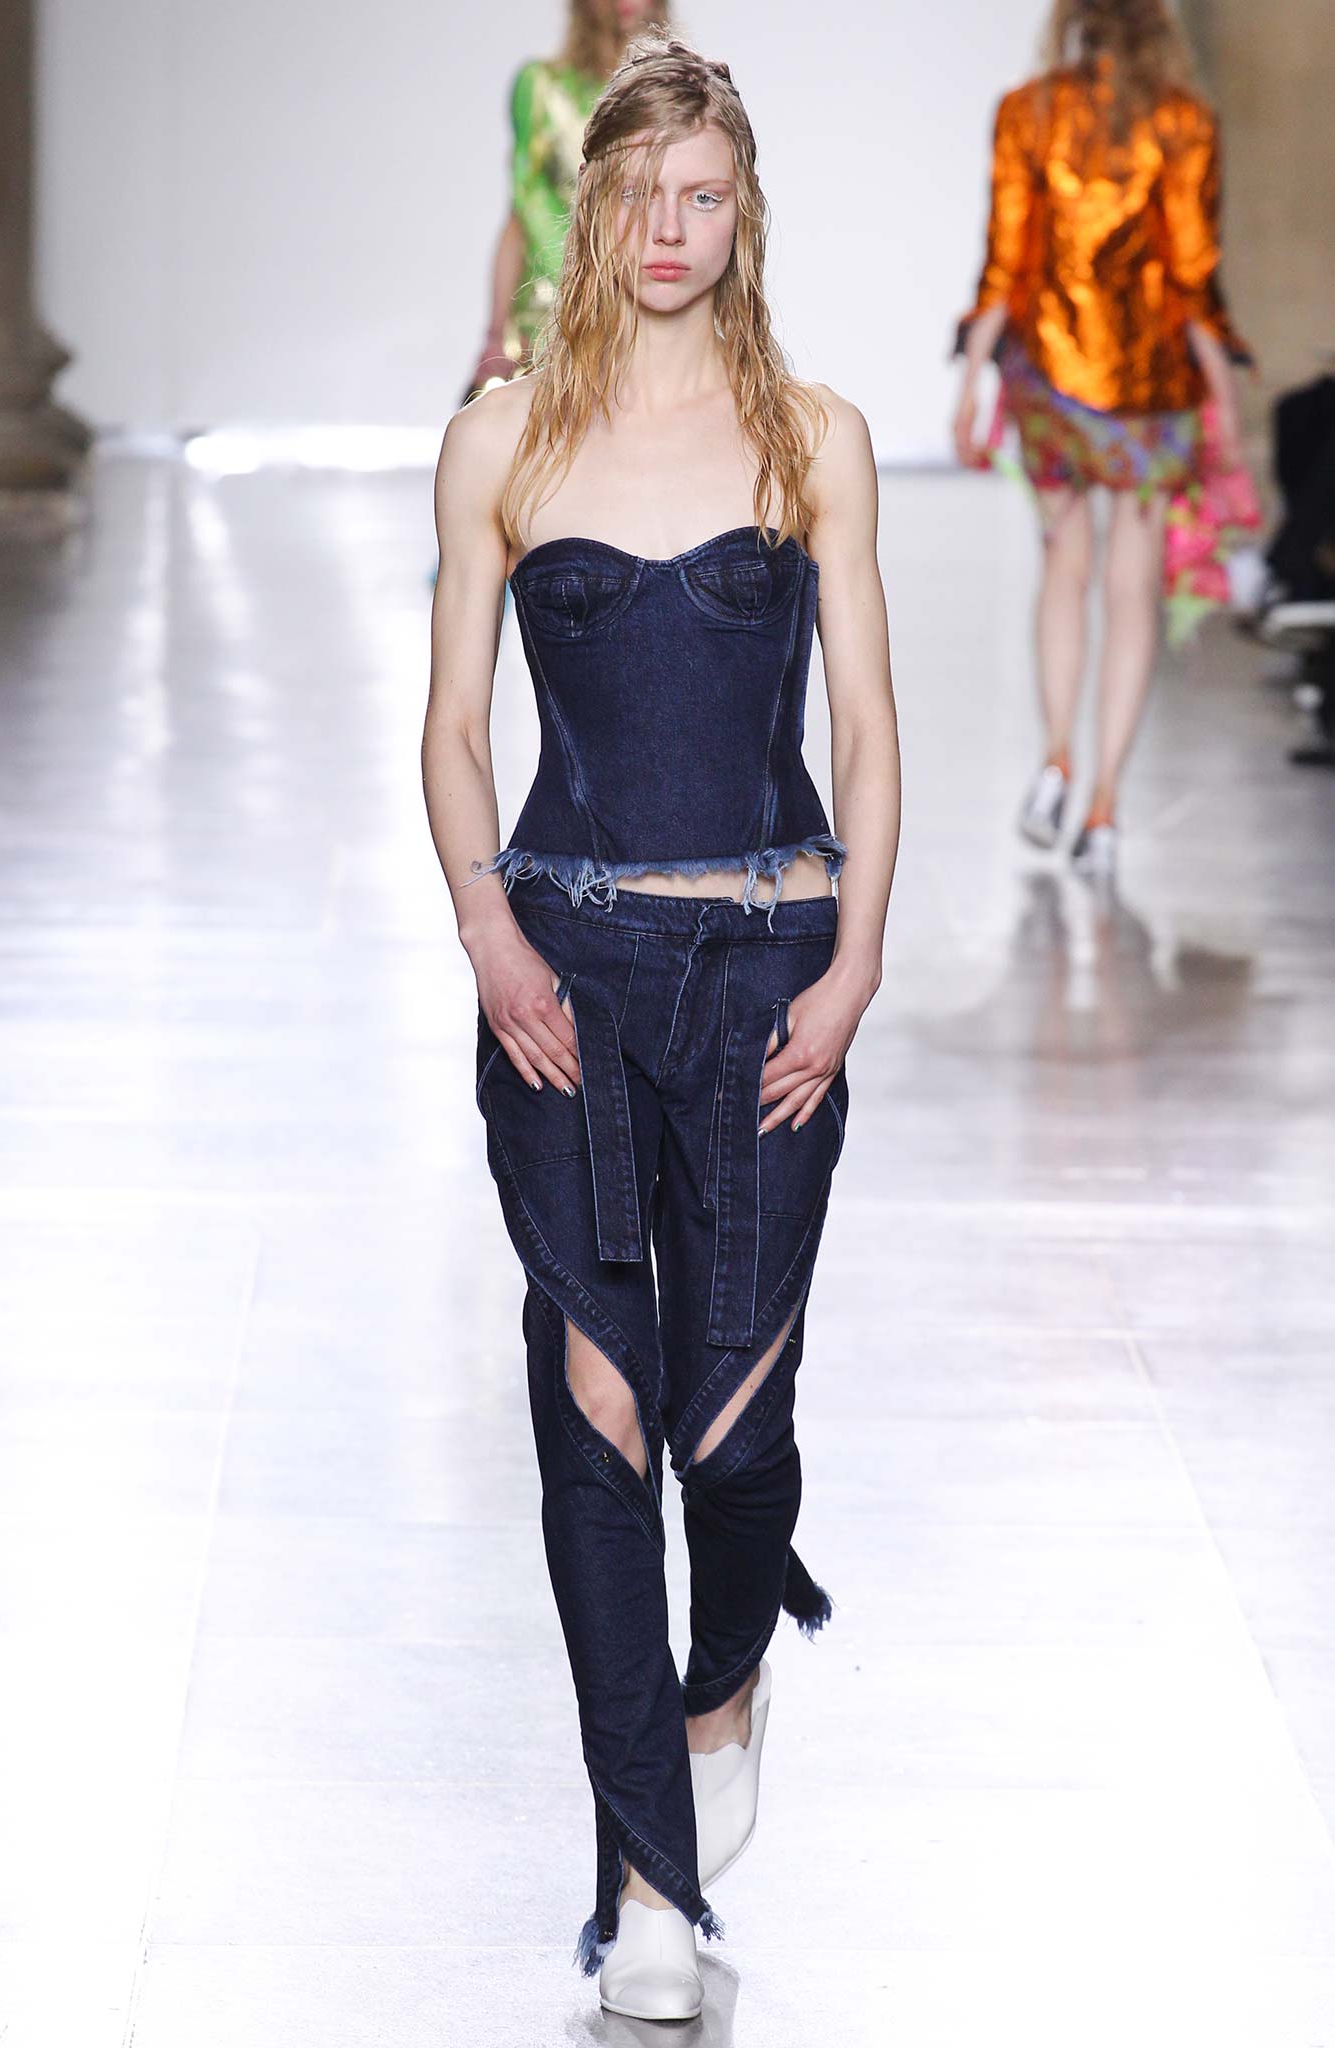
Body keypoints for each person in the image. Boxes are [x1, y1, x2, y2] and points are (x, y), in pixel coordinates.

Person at [424, 29, 900, 2022]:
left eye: (704, 196)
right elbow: (455, 730)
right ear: (590, 206)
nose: (671, 229)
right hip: (568, 977)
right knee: (598, 1404)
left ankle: (721, 1693)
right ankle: (641, 1879)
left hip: (772, 968)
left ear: (743, 212)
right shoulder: (503, 441)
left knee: (738, 1425)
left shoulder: (813, 436)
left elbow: (864, 727)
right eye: (641, 195)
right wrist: (486, 929)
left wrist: (855, 965)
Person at [952, 0, 1255, 880]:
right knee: (1132, 592)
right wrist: (1225, 394)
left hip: (1050, 381)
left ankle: (1056, 758)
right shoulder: (1184, 121)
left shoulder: (1027, 111)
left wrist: (970, 383)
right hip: (1153, 390)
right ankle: (1105, 807)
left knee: (1065, 569)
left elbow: (1005, 261)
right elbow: (1194, 272)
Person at [466, 0, 668, 400]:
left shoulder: (672, 102)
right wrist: (495, 335)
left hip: (639, 310)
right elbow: (522, 215)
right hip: (547, 312)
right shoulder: (541, 86)